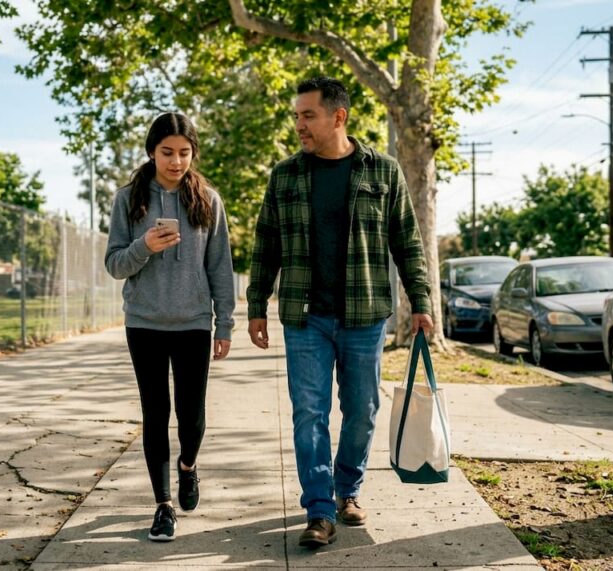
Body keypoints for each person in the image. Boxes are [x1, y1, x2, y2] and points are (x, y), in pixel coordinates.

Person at [246, 77, 433, 549]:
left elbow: (407, 242)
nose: (299, 125)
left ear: (338, 116)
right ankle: (320, 510)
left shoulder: (383, 172)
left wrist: (422, 302)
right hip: (305, 316)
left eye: (307, 115)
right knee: (309, 414)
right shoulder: (285, 175)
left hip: (364, 314)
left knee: (362, 411)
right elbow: (265, 245)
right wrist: (255, 307)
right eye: (296, 116)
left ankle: (348, 489)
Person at [104, 112, 235, 542]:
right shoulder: (128, 199)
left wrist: (225, 324)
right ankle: (162, 506)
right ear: (151, 151)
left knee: (192, 416)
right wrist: (144, 246)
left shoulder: (207, 201)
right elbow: (114, 264)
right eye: (167, 153)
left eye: (184, 152)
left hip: (194, 324)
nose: (176, 161)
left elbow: (220, 267)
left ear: (193, 152)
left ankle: (188, 468)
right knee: (155, 414)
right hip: (144, 323)